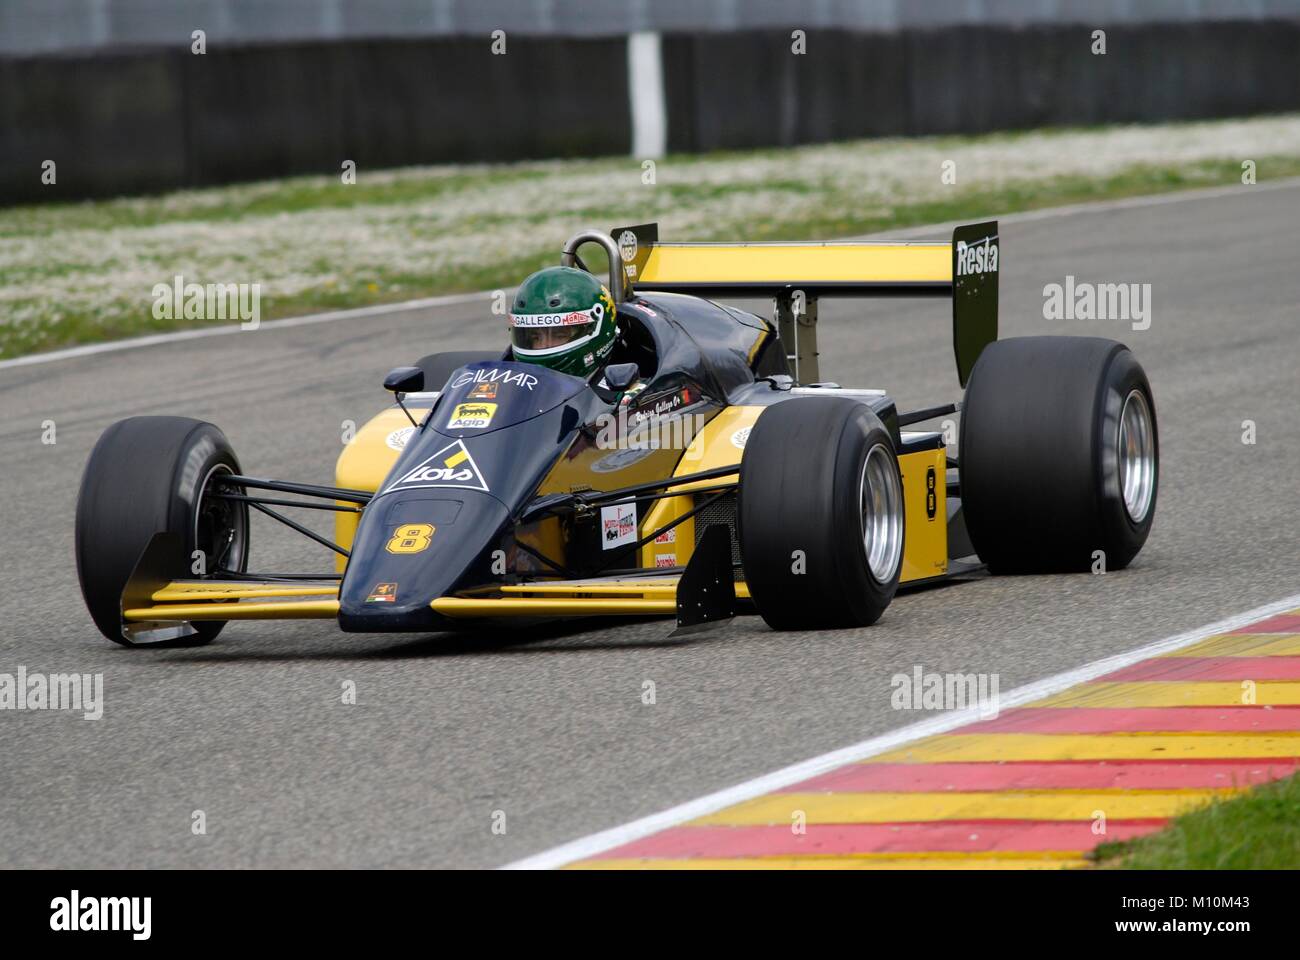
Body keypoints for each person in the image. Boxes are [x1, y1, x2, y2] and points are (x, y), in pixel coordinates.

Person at [507, 266, 618, 379]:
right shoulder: (509, 381)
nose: (544, 346)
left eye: (559, 336)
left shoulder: (621, 385)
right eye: (536, 337)